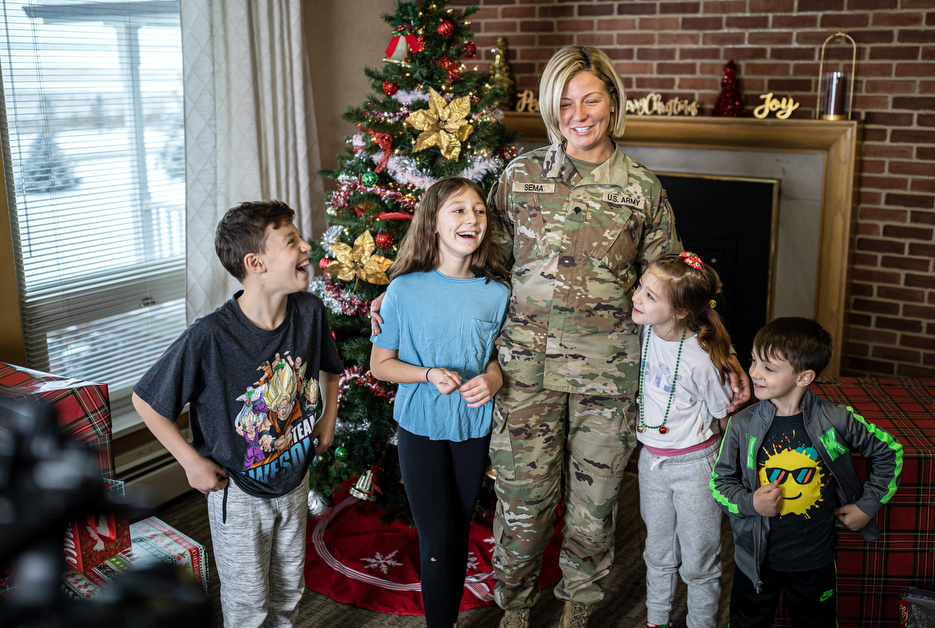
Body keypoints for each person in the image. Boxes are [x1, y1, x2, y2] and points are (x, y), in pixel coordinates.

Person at [372, 45, 750, 628]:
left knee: (594, 508)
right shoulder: (518, 178)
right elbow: (471, 257)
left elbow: (678, 290)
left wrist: (721, 352)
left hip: (610, 374)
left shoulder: (643, 190)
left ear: (612, 101)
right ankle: (516, 608)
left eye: (591, 98)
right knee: (522, 505)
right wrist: (398, 291)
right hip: (522, 372)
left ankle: (578, 606)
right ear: (552, 109)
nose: (579, 113)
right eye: (565, 102)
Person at [132, 200, 343, 628]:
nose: (306, 246)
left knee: (288, 591)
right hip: (239, 496)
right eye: (291, 241)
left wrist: (328, 417)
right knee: (248, 606)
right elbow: (146, 401)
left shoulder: (310, 312)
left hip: (295, 479)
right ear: (256, 262)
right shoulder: (209, 336)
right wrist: (191, 462)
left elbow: (330, 370)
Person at [369, 177, 510, 628]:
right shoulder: (404, 291)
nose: (472, 219)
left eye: (480, 211)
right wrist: (427, 374)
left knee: (459, 531)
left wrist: (491, 378)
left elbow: (499, 360)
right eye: (458, 210)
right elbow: (380, 365)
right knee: (435, 539)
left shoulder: (498, 292)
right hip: (420, 428)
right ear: (432, 222)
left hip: (472, 426)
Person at [711, 317, 904, 627]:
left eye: (769, 368)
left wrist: (867, 505)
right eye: (754, 360)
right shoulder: (741, 424)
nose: (754, 373)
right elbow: (720, 484)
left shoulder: (837, 419)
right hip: (756, 561)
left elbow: (889, 451)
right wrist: (751, 504)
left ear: (804, 377)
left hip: (815, 560)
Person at [631, 253, 735, 628]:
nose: (637, 298)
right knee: (657, 551)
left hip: (694, 468)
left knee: (699, 560)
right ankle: (655, 619)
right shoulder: (643, 331)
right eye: (641, 287)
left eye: (650, 296)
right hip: (651, 461)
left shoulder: (701, 360)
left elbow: (724, 415)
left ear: (679, 313)